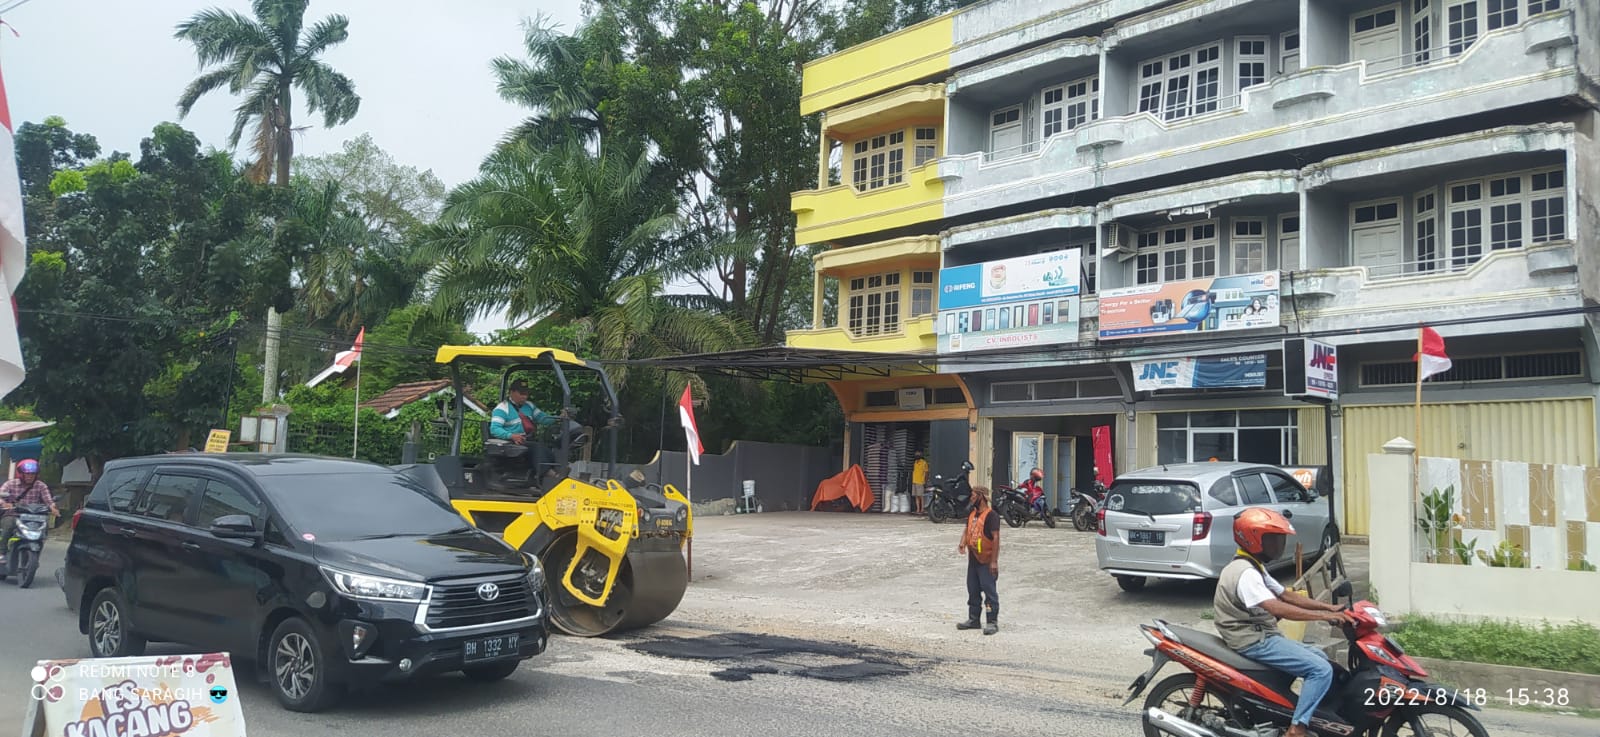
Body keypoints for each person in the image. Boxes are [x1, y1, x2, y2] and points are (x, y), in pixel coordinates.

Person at [1215, 508, 1357, 737]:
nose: (1279, 545)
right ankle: (1297, 728)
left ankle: (1307, 714)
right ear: (1252, 538)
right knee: (1320, 670)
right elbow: (1276, 607)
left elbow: (1286, 595)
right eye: (1273, 539)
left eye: (1280, 539)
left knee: (1322, 658)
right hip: (1253, 640)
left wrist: (1329, 608)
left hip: (1261, 634)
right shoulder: (1246, 573)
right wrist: (1325, 617)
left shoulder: (1253, 565)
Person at [956, 484, 1000, 635]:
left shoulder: (991, 515)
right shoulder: (972, 514)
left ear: (981, 497)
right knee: (973, 589)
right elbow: (967, 529)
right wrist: (962, 542)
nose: (971, 498)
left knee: (989, 591)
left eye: (974, 495)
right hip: (973, 559)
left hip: (986, 560)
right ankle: (973, 619)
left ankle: (992, 621)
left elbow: (995, 538)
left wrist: (994, 561)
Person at [491, 380, 558, 475]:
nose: (524, 397)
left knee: (548, 447)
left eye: (526, 394)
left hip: (527, 440)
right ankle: (549, 474)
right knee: (537, 448)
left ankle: (557, 469)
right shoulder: (502, 408)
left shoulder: (529, 406)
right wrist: (511, 436)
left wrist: (559, 418)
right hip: (511, 442)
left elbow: (543, 418)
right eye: (521, 393)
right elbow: (494, 429)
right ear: (512, 392)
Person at [0, 459, 58, 564]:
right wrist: (4, 504)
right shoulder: (11, 484)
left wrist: (53, 508)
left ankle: (36, 554)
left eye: (32, 474)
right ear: (21, 474)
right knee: (8, 525)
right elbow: (1, 495)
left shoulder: (41, 486)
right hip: (14, 515)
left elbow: (48, 500)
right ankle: (2, 552)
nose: (30, 476)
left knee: (44, 530)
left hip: (34, 517)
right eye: (27, 474)